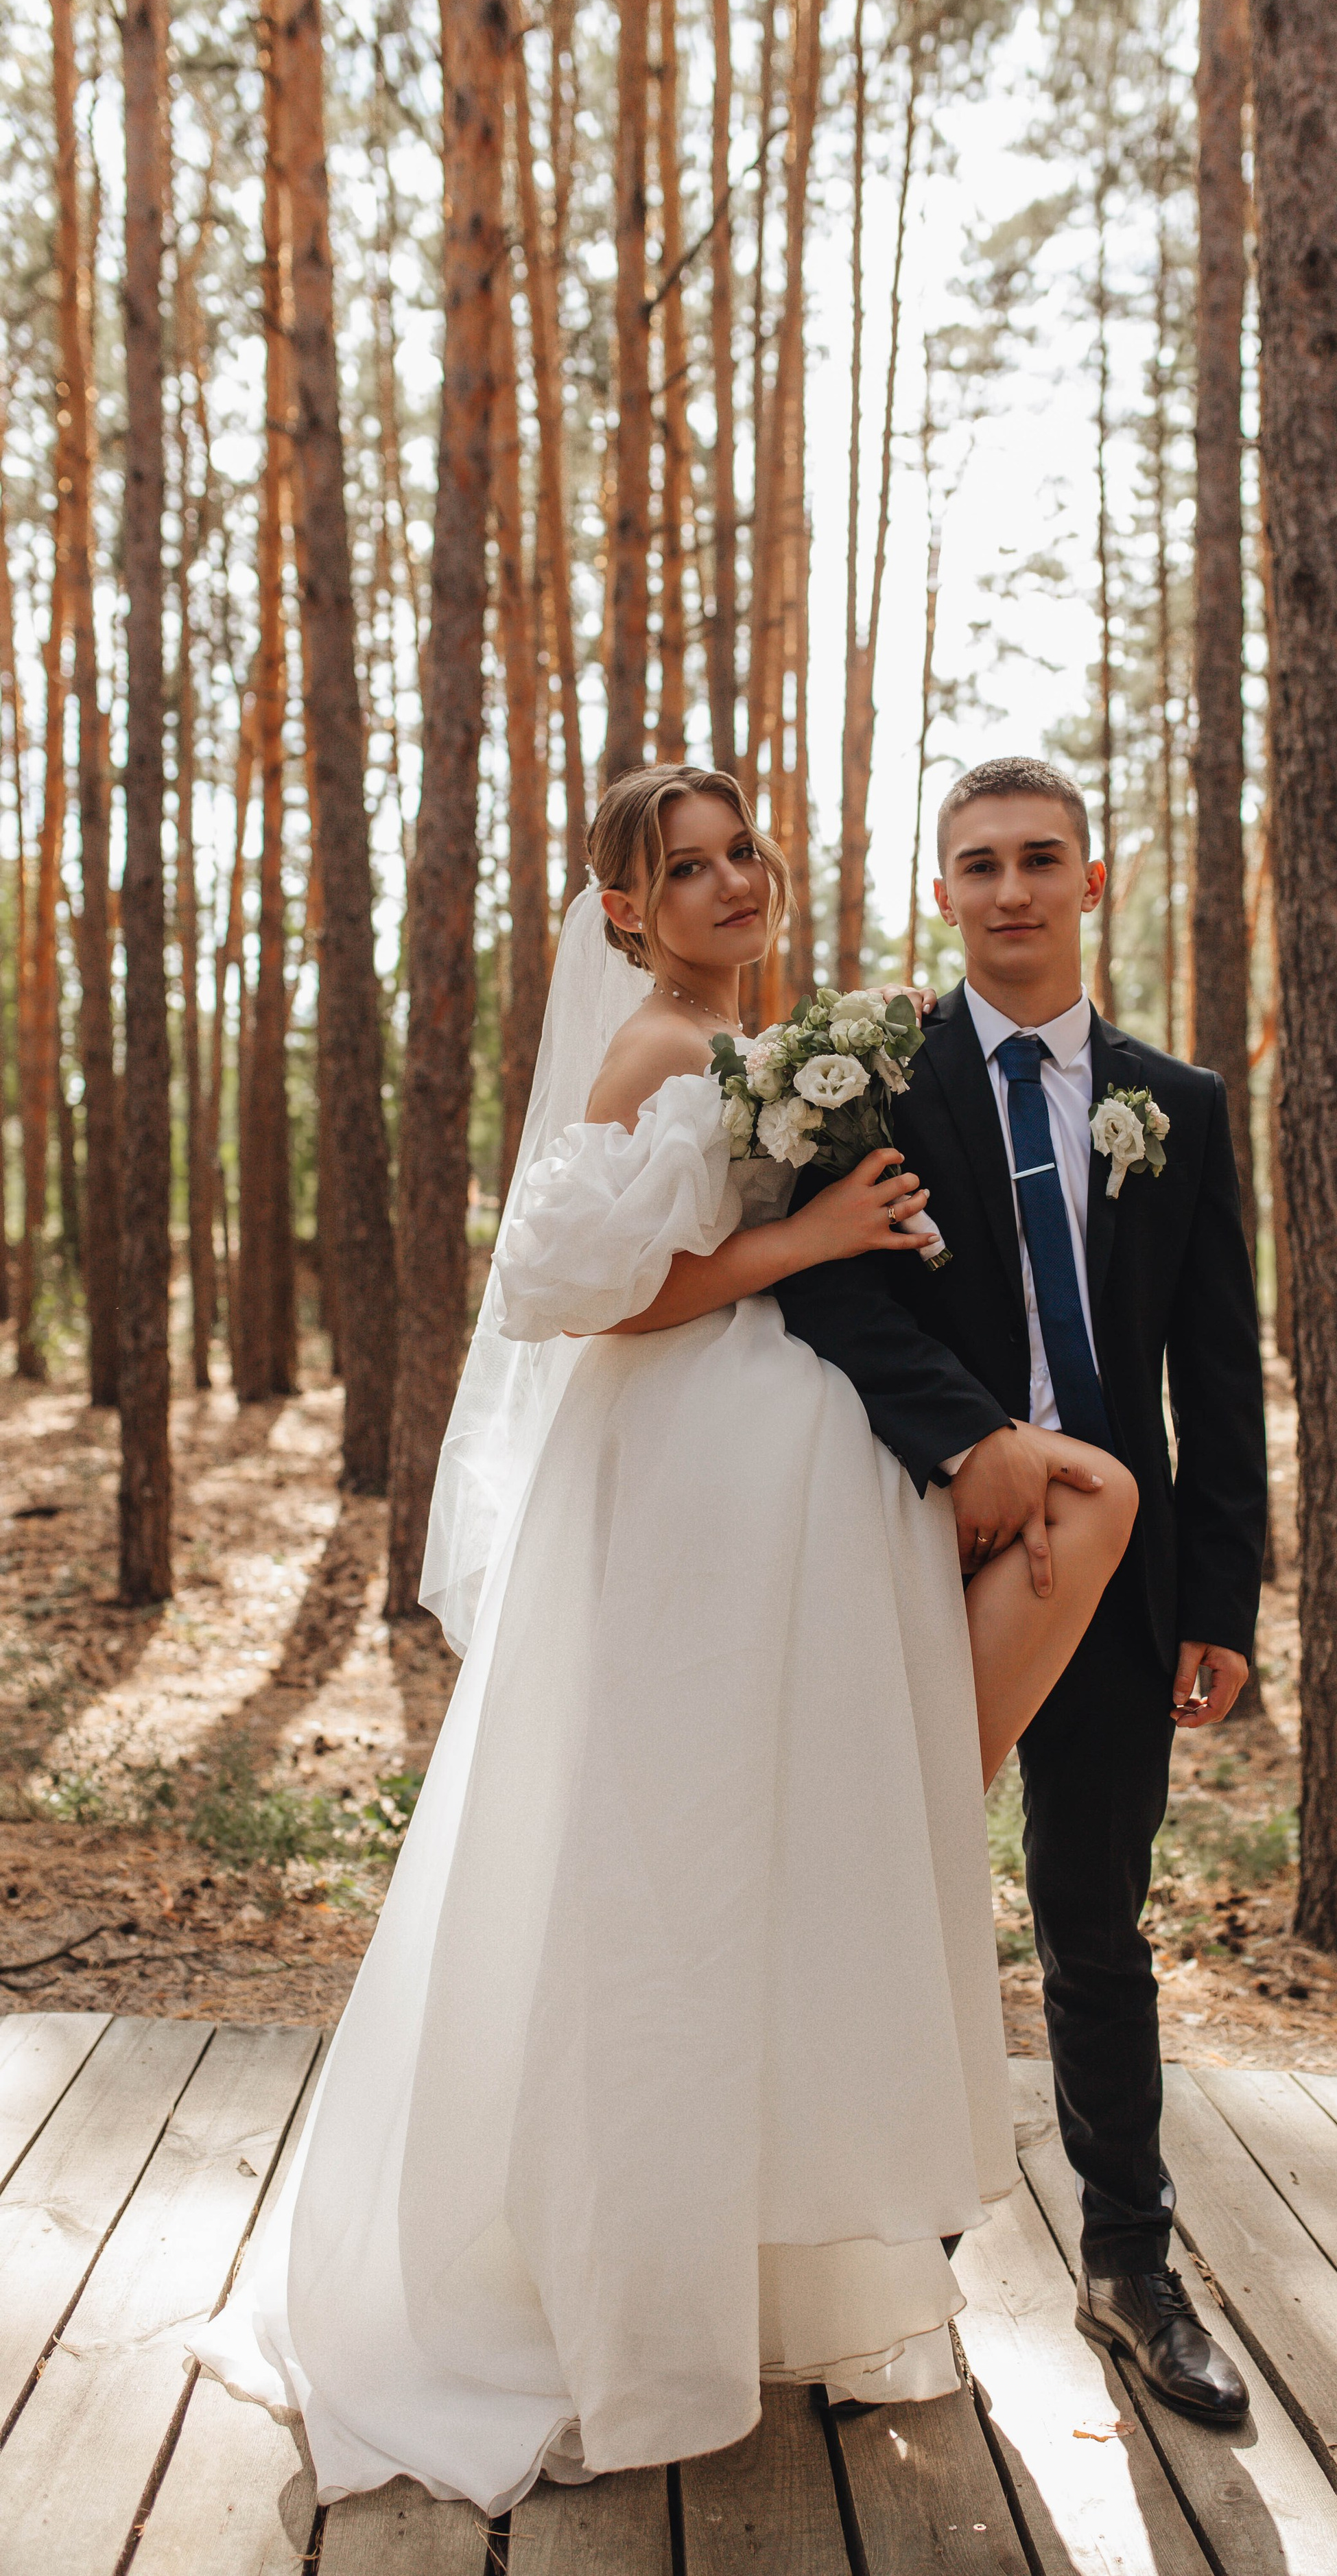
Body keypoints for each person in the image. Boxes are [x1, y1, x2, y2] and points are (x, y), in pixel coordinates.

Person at [187, 765, 1136, 2512]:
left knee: (770, 1860)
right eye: (682, 870)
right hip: (694, 1485)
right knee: (673, 1876)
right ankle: (614, 2300)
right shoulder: (646, 1051)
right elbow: (576, 1291)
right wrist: (809, 1231)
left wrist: (855, 1238)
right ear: (624, 911)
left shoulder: (763, 1047)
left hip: (793, 1480)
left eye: (739, 854)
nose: (725, 884)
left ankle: (759, 2264)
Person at [777, 755, 1268, 2424]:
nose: (1008, 892)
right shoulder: (878, 1082)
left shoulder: (1175, 1108)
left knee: (1091, 1922)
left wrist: (1222, 1601)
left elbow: (1216, 1366)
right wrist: (971, 1450)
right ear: (941, 891)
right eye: (976, 864)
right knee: (881, 1901)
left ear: (1091, 879)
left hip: (1117, 1577)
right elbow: (836, 1304)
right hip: (918, 1549)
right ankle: (872, 2267)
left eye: (1037, 860)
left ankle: (1129, 2267)